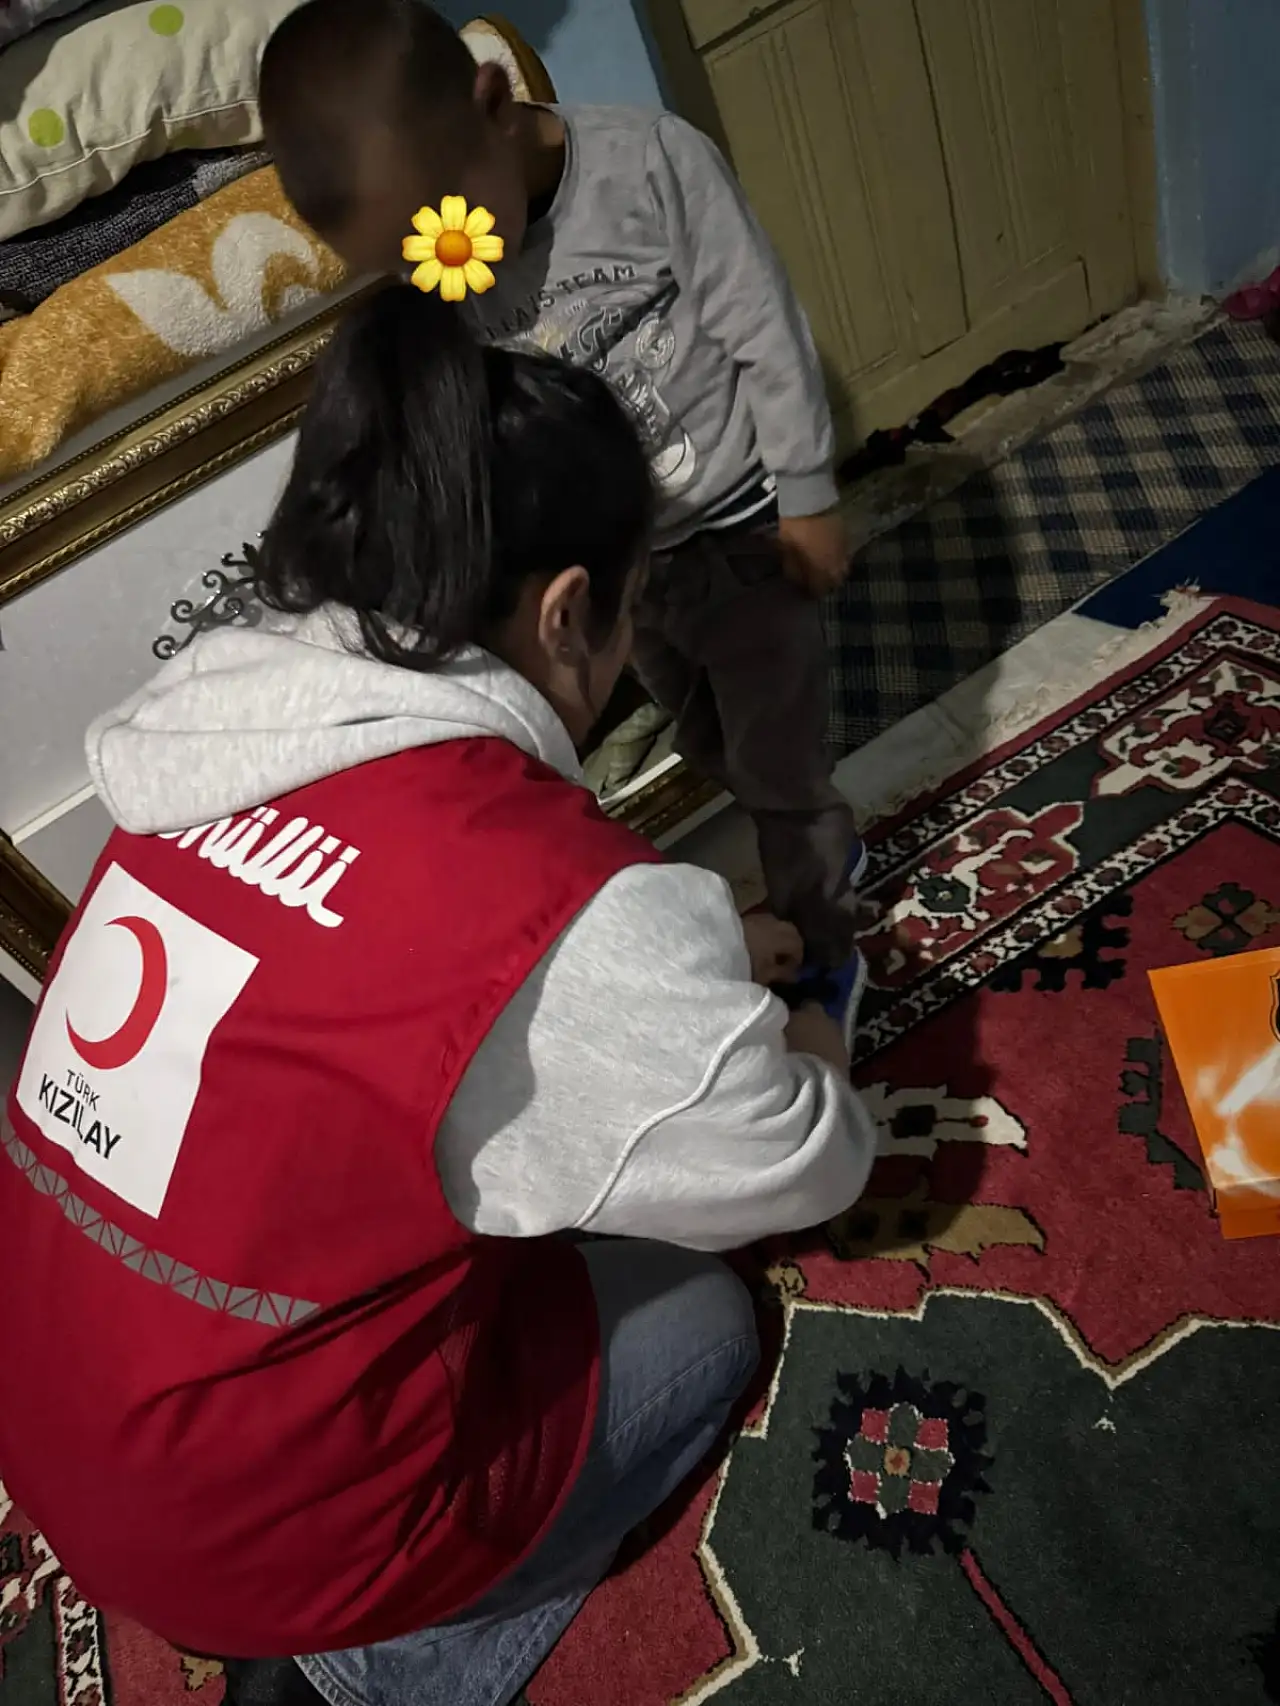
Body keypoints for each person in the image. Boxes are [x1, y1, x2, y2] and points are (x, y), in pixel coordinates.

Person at [0, 286, 877, 1706]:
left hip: (62, 1428)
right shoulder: (554, 903)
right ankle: (376, 1666)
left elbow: (356, 952)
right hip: (256, 1535)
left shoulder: (199, 743)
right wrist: (819, 1028)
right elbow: (798, 1165)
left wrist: (672, 950)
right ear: (568, 611)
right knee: (699, 1326)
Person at [257, 0, 869, 1040]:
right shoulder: (446, 268)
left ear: (494, 103)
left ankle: (825, 931)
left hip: (742, 529)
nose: (439, 261)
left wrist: (807, 493)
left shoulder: (650, 166)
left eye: (440, 224)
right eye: (404, 260)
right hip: (625, 575)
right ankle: (800, 840)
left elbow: (763, 325)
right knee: (706, 736)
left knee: (778, 763)